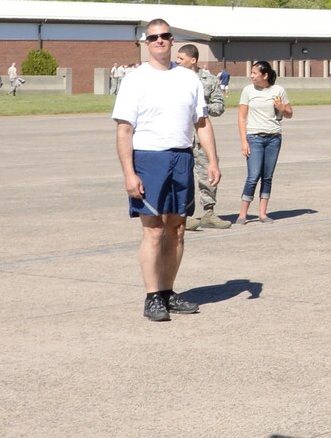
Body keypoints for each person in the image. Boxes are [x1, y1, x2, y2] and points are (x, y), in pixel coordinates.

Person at [113, 19, 219, 322]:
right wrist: (129, 174)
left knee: (177, 228)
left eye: (165, 36)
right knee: (154, 229)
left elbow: (201, 123)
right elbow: (123, 130)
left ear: (172, 40)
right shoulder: (135, 79)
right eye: (153, 37)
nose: (160, 41)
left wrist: (213, 160)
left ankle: (168, 292)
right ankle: (152, 296)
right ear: (146, 43)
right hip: (149, 158)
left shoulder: (188, 78)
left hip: (182, 157)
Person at [177, 43, 229, 230]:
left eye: (181, 59)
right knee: (181, 177)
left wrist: (201, 109)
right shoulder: (173, 78)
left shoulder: (209, 79)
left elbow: (219, 106)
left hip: (201, 137)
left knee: (207, 174)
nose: (177, 62)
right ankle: (182, 214)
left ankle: (208, 213)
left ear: (193, 60)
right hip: (180, 134)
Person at [237, 59, 291, 222]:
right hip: (254, 137)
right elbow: (241, 118)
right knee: (253, 176)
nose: (251, 76)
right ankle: (242, 214)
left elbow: (289, 113)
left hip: (274, 138)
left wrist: (282, 109)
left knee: (267, 176)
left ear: (265, 75)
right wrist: (244, 142)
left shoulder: (278, 90)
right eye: (251, 73)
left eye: (254, 73)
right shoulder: (248, 91)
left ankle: (262, 213)